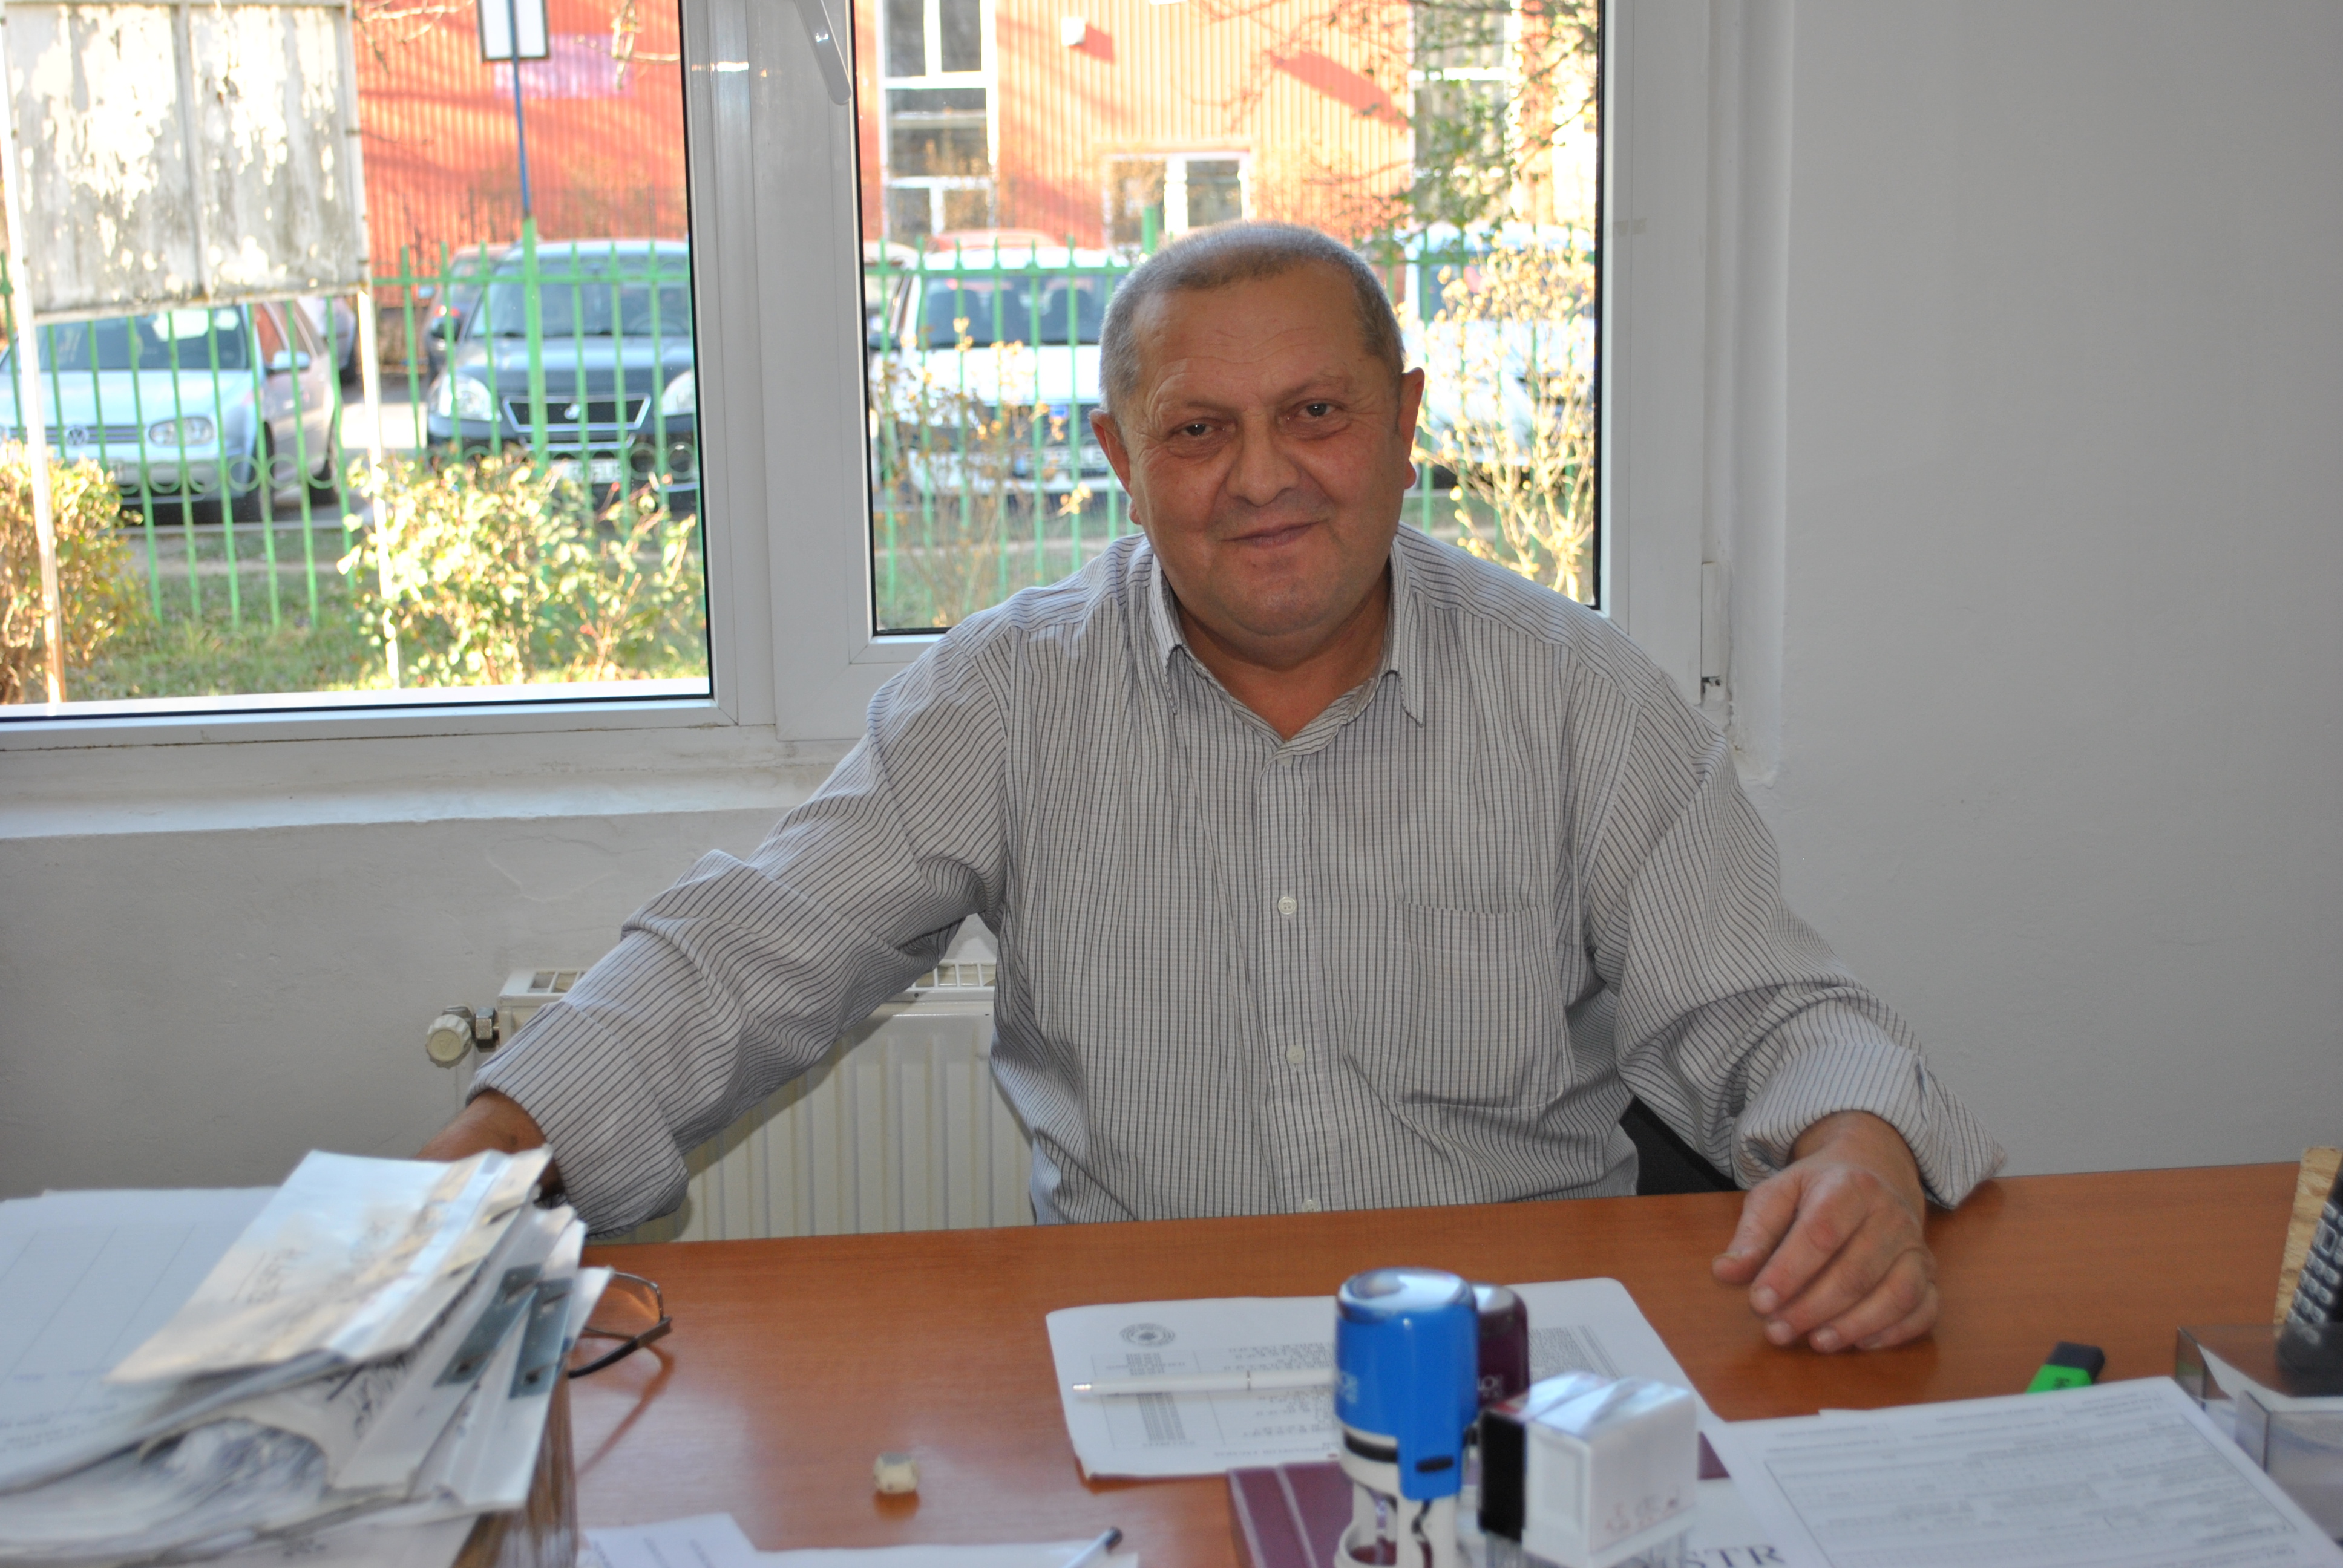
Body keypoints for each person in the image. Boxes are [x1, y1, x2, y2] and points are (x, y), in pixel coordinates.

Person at [423, 223, 2001, 1356]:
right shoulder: (1008, 694)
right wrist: (462, 1174)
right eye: (1198, 430)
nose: (1262, 478)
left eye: (1315, 413)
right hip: (1142, 1344)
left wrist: (1860, 1156)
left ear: (1404, 423)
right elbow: (751, 950)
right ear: (1121, 457)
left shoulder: (1579, 692)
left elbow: (1773, 1011)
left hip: (1508, 1352)